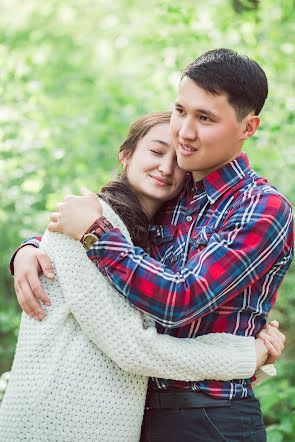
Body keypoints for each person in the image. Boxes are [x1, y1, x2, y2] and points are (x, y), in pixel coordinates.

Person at [41, 49, 294, 441]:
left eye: (205, 118)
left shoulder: (262, 208)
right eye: (180, 111)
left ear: (248, 127)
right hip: (134, 413)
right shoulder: (173, 194)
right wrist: (32, 249)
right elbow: (113, 231)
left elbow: (180, 300)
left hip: (209, 417)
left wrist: (93, 232)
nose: (184, 132)